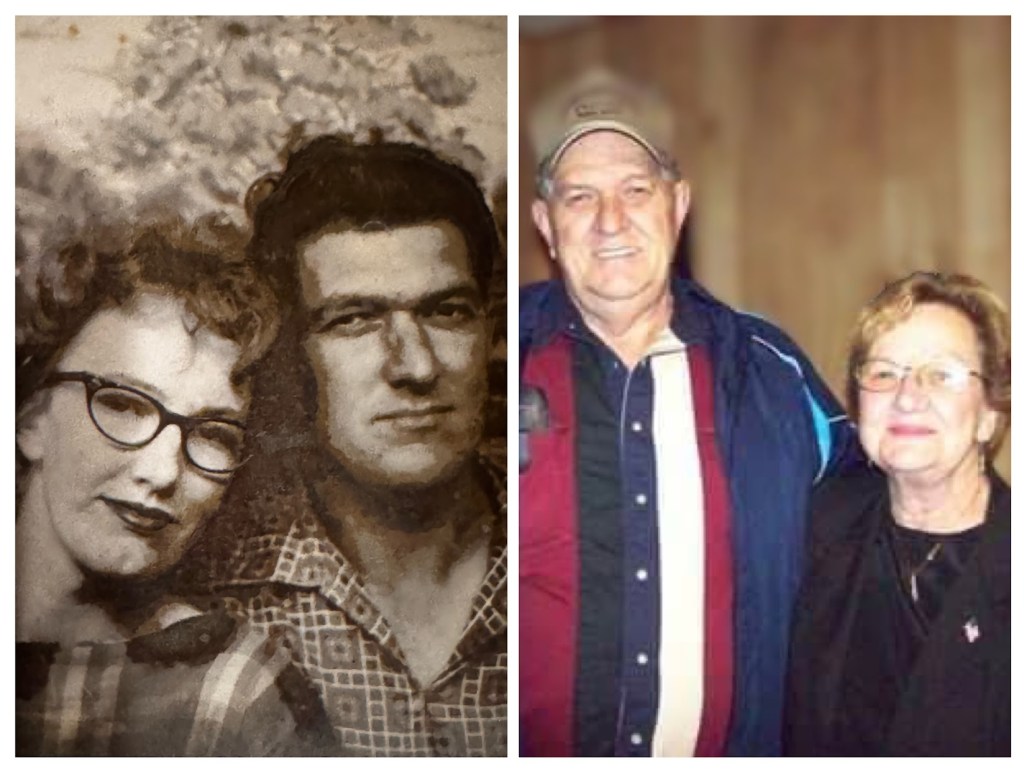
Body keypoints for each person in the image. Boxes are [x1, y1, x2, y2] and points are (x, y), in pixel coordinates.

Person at [518, 68, 859, 757]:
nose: (610, 220)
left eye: (635, 190)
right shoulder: (486, 363)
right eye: (580, 195)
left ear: (678, 206)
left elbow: (875, 509)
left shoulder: (770, 371)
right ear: (546, 224)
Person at [181, 136, 507, 757]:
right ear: (291, 355)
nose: (415, 366)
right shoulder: (209, 591)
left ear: (489, 330)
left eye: (446, 311)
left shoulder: (570, 549)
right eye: (354, 320)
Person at [15, 219, 334, 755]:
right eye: (122, 404)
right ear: (30, 417)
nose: (163, 472)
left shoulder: (236, 693)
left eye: (213, 434)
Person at [784, 272, 1010, 756]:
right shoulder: (812, 526)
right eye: (884, 373)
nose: (907, 396)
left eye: (942, 374)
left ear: (990, 414)